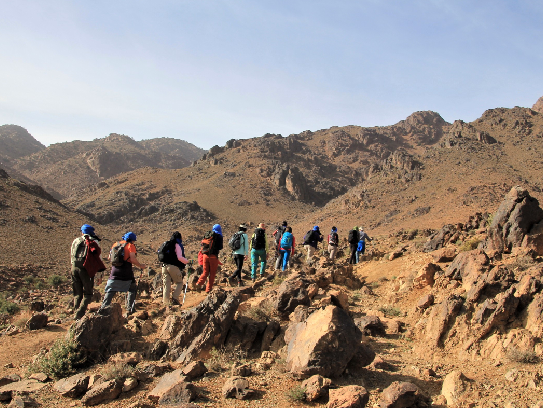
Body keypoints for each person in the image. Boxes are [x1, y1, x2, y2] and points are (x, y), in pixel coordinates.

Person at [100, 232, 147, 316]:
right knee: (132, 288)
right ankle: (130, 309)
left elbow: (109, 257)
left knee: (111, 289)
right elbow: (132, 259)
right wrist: (140, 265)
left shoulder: (116, 244)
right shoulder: (130, 246)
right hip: (126, 270)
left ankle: (103, 307)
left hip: (115, 270)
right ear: (132, 240)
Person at [70, 224, 105, 320]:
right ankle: (79, 314)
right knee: (88, 294)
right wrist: (99, 275)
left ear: (82, 231)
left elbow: (72, 255)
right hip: (86, 270)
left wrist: (73, 268)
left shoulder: (76, 240)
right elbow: (98, 259)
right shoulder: (94, 242)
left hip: (74, 268)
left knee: (77, 293)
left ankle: (76, 312)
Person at [161, 231, 189, 305]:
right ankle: (175, 298)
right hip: (173, 267)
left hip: (164, 266)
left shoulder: (167, 244)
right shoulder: (176, 245)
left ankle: (166, 303)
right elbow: (180, 257)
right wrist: (187, 262)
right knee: (179, 283)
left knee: (166, 285)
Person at [196, 224, 224, 293]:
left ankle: (199, 283)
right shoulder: (219, 236)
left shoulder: (208, 235)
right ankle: (208, 290)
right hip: (213, 257)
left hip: (205, 256)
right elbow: (220, 247)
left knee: (205, 272)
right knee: (212, 274)